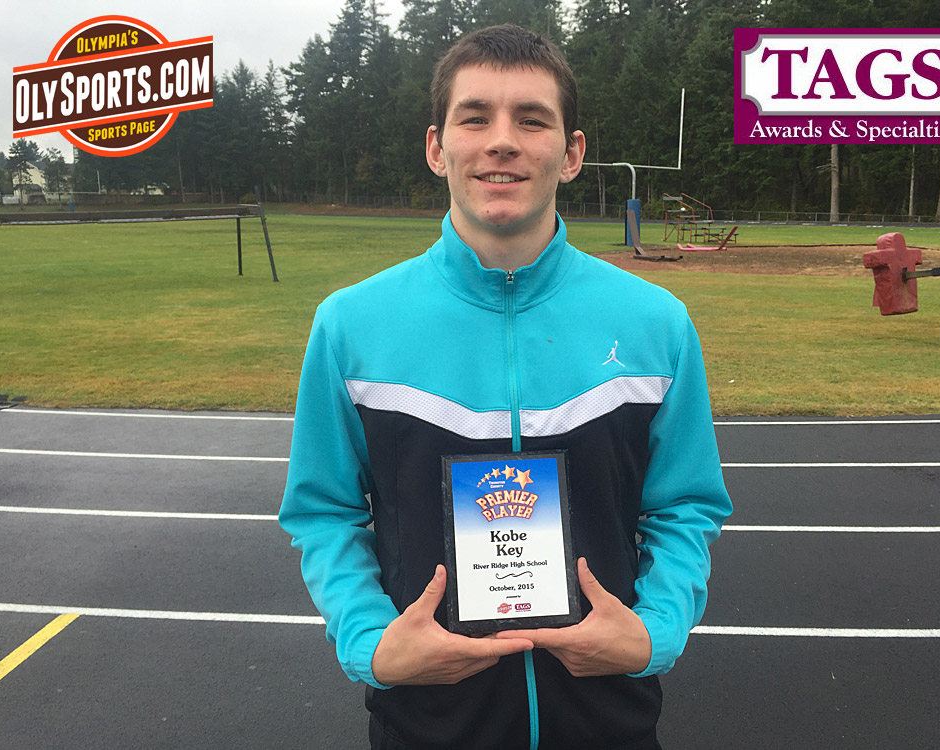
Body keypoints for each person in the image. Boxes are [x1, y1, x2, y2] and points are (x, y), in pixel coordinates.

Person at [279, 23, 732, 750]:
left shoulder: (656, 323)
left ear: (571, 153)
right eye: (475, 117)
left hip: (609, 721)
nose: (502, 141)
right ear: (437, 148)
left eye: (531, 119)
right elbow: (323, 511)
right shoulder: (350, 325)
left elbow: (685, 505)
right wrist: (371, 642)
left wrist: (655, 631)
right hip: (424, 725)